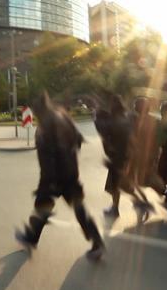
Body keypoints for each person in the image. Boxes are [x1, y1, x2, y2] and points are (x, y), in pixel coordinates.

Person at [15, 92, 105, 260]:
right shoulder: (63, 116)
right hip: (71, 172)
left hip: (55, 177)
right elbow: (78, 140)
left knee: (43, 204)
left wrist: (47, 184)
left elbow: (47, 159)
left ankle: (31, 237)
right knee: (79, 209)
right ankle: (97, 242)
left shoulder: (44, 127)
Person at [94, 95, 152, 220]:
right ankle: (126, 205)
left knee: (119, 185)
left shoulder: (119, 121)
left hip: (121, 158)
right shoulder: (122, 119)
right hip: (122, 157)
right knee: (119, 185)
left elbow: (131, 139)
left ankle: (138, 203)